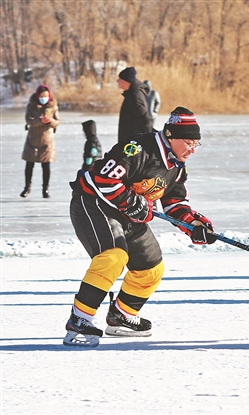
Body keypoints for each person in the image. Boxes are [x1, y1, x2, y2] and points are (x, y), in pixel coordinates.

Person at [63, 107, 217, 348]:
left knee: (151, 267)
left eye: (197, 144)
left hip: (130, 214)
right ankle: (80, 319)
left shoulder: (176, 167)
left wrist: (194, 224)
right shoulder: (137, 148)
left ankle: (122, 315)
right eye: (188, 142)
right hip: (93, 204)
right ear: (170, 135)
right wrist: (131, 202)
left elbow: (175, 202)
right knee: (113, 257)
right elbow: (102, 179)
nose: (192, 149)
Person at [21, 84, 59, 198]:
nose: (44, 98)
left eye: (46, 96)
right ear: (37, 96)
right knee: (29, 165)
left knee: (46, 166)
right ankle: (27, 188)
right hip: (33, 139)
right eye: (42, 96)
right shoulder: (31, 106)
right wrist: (40, 120)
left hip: (47, 140)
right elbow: (29, 120)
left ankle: (45, 190)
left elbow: (57, 122)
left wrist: (50, 120)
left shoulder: (53, 106)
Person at [117, 66, 153, 143]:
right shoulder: (131, 94)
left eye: (119, 79)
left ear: (126, 81)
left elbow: (145, 118)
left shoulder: (135, 96)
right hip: (130, 140)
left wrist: (148, 139)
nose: (117, 81)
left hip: (133, 143)